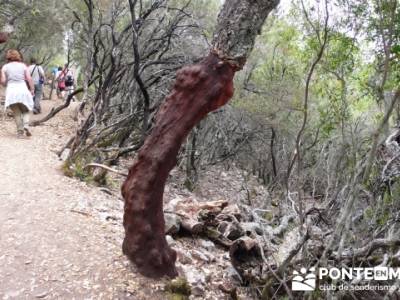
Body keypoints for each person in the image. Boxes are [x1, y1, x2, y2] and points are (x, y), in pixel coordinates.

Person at [0, 49, 34, 137]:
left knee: (17, 113)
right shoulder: (23, 66)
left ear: (8, 57)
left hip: (11, 91)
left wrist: (4, 81)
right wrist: (32, 89)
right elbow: (29, 79)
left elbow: (3, 81)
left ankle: (20, 133)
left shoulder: (5, 67)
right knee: (26, 110)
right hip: (22, 90)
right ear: (17, 56)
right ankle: (26, 125)